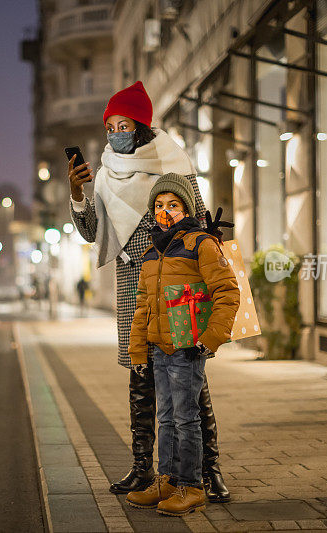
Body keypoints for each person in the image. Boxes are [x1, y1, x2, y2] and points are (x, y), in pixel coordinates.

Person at [68, 81, 231, 502]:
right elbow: (91, 232)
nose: (117, 132)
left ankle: (207, 471)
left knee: (190, 381)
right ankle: (143, 468)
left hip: (177, 287)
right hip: (132, 290)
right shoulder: (104, 174)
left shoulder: (172, 162)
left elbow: (197, 221)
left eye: (125, 123)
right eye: (110, 126)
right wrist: (77, 193)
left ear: (140, 126)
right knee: (140, 376)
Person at [124, 174, 239, 516]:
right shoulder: (150, 251)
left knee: (187, 418)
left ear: (186, 207)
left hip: (188, 349)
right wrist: (138, 350)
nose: (165, 212)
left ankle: (192, 486)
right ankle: (168, 480)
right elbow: (143, 304)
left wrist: (210, 339)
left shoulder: (200, 243)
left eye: (172, 205)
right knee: (165, 418)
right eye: (159, 206)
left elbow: (227, 291)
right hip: (159, 349)